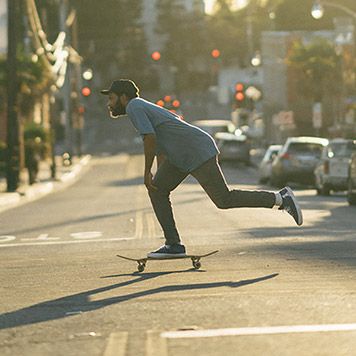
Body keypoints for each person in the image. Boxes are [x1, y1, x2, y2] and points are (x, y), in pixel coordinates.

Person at [101, 79, 303, 258]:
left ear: (123, 97)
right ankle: (173, 244)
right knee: (157, 189)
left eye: (111, 98)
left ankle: (281, 199)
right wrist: (158, 174)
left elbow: (150, 139)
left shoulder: (134, 106)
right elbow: (160, 145)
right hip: (181, 155)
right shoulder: (140, 107)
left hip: (196, 150)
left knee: (224, 199)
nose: (109, 104)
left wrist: (146, 173)